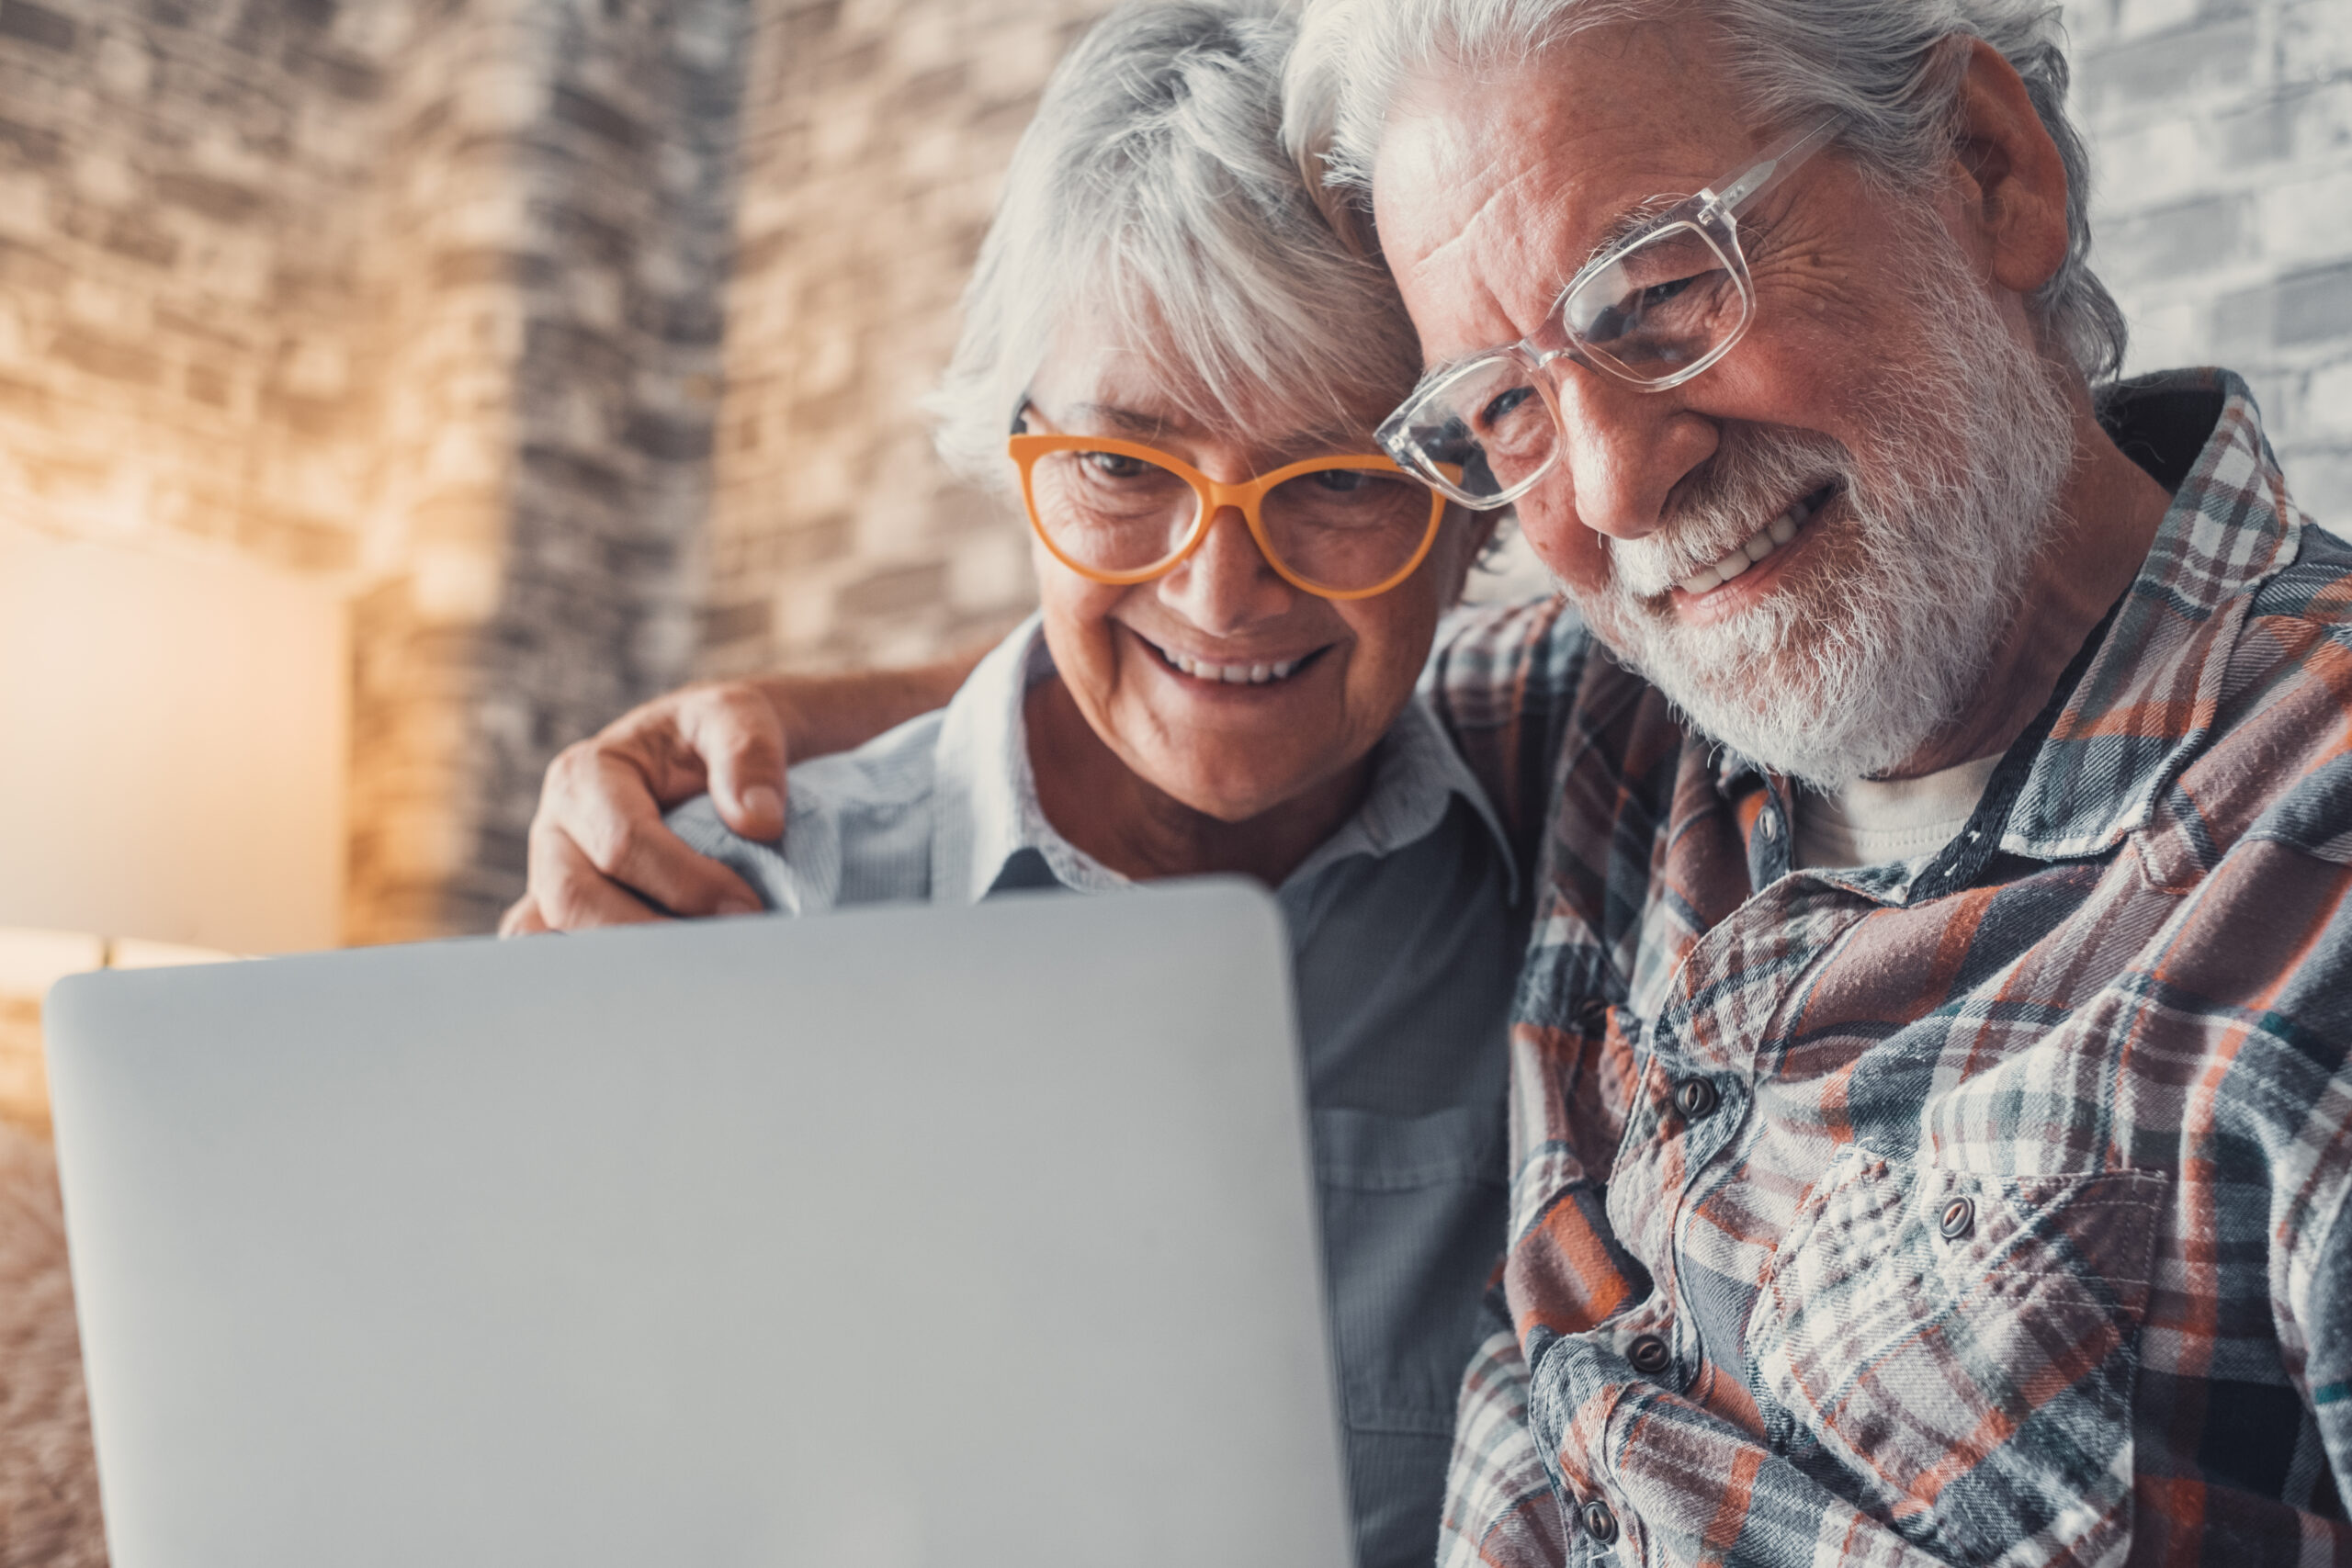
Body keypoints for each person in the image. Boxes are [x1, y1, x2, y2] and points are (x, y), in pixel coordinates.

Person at [519, 0, 2352, 1564]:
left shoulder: (2304, 853)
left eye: (1658, 296)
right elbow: (1226, 671)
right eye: (1498, 406)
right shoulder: (1634, 702)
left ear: (1983, 168)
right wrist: (759, 730)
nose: (1615, 487)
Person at [515, 7, 1526, 1565]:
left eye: (1334, 484)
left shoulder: (1571, 858)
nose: (1220, 591)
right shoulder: (723, 900)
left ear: (1471, 508)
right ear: (1020, 454)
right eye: (1127, 469)